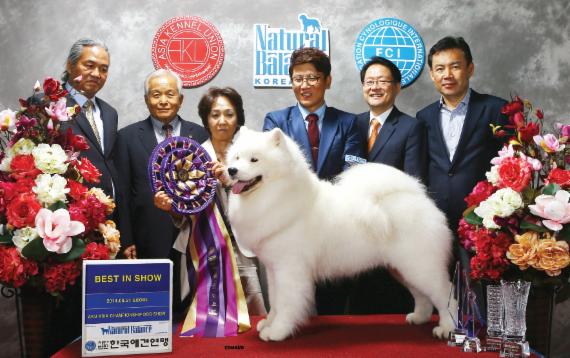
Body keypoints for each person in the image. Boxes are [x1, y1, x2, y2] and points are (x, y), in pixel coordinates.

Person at [263, 47, 363, 315]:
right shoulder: (276, 122)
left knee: (334, 303)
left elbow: (353, 168)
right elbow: (272, 173)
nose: (304, 85)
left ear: (327, 81)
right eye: (298, 78)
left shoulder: (348, 122)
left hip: (334, 224)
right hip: (289, 224)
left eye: (312, 78)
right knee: (292, 295)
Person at [156, 87, 267, 315]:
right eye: (215, 115)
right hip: (204, 249)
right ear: (206, 119)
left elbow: (266, 203)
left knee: (255, 314)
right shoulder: (190, 158)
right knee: (208, 319)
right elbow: (184, 214)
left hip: (245, 246)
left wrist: (230, 181)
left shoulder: (254, 156)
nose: (222, 121)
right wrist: (171, 209)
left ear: (239, 118)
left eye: (229, 114)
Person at [115, 69, 208, 310]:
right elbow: (123, 193)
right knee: (153, 306)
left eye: (170, 94)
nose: (163, 100)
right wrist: (127, 239)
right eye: (156, 94)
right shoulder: (126, 137)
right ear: (147, 99)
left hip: (192, 235)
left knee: (190, 305)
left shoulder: (199, 134)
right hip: (147, 237)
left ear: (180, 99)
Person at [416, 36, 507, 266]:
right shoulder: (423, 117)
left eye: (455, 66)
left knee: (479, 293)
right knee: (440, 293)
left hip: (483, 221)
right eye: (440, 68)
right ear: (431, 74)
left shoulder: (496, 109)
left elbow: (511, 167)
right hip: (436, 223)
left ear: (470, 69)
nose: (447, 74)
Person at [349, 56, 426, 314]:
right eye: (369, 82)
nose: (375, 87)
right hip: (352, 228)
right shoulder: (351, 124)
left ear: (397, 87)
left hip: (391, 227)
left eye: (382, 81)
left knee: (391, 301)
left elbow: (414, 181)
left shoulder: (411, 127)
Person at [61, 38, 118, 198]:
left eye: (103, 69)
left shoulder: (110, 113)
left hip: (109, 212)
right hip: (67, 212)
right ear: (70, 65)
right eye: (89, 66)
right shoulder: (48, 104)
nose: (96, 74)